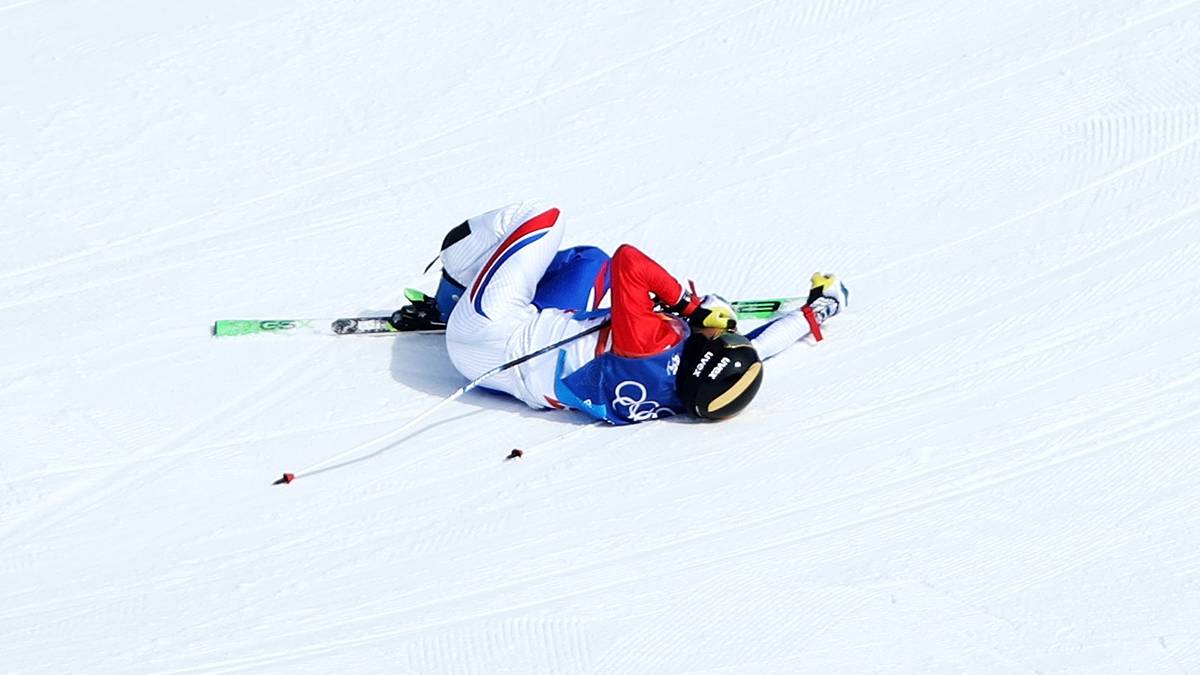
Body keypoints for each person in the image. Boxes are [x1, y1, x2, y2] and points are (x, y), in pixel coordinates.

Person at [409, 200, 848, 424]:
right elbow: (758, 349)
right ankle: (478, 291)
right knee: (589, 264)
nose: (725, 334)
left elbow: (629, 261)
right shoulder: (686, 394)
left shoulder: (651, 343)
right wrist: (816, 311)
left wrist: (689, 306)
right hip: (501, 375)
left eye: (720, 337)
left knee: (542, 216)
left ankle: (453, 291)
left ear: (703, 351)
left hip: (486, 330)